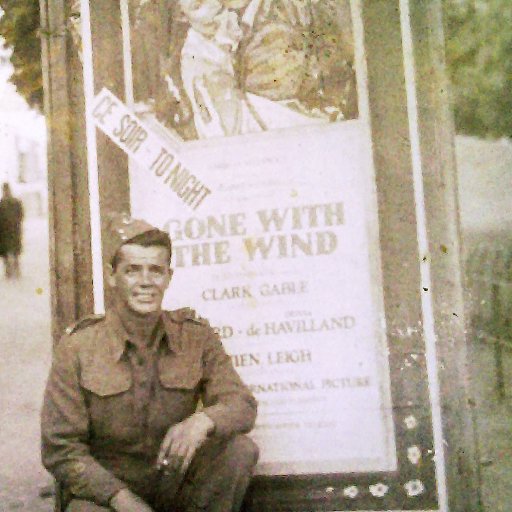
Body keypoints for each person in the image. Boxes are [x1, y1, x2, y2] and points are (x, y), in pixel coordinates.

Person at [41, 212, 259, 512]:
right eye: (132, 270)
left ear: (168, 277)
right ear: (112, 275)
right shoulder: (78, 347)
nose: (146, 282)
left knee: (239, 451)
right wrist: (120, 498)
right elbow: (60, 449)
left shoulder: (195, 336)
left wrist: (202, 421)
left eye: (155, 271)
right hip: (108, 494)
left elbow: (242, 405)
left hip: (177, 484)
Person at [0, 182, 24, 279]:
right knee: (14, 251)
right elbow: (21, 215)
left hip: (5, 231)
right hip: (13, 230)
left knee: (8, 252)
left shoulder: (2, 203)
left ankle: (10, 272)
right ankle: (15, 271)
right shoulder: (16, 202)